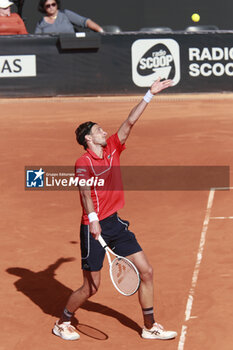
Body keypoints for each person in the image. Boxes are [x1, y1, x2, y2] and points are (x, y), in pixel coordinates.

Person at [52, 78, 178, 341]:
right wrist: (94, 220)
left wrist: (149, 95)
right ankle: (63, 321)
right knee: (91, 287)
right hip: (93, 228)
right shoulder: (83, 162)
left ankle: (149, 325)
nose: (103, 131)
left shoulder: (112, 148)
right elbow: (85, 193)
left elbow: (129, 122)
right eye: (98, 130)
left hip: (114, 224)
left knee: (147, 271)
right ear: (88, 138)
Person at [35, 0, 104, 34]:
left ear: (57, 4)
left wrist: (101, 31)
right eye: (48, 6)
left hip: (71, 47)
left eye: (53, 4)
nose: (51, 7)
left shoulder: (65, 14)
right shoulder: (41, 23)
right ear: (43, 8)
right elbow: (37, 39)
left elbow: (85, 22)